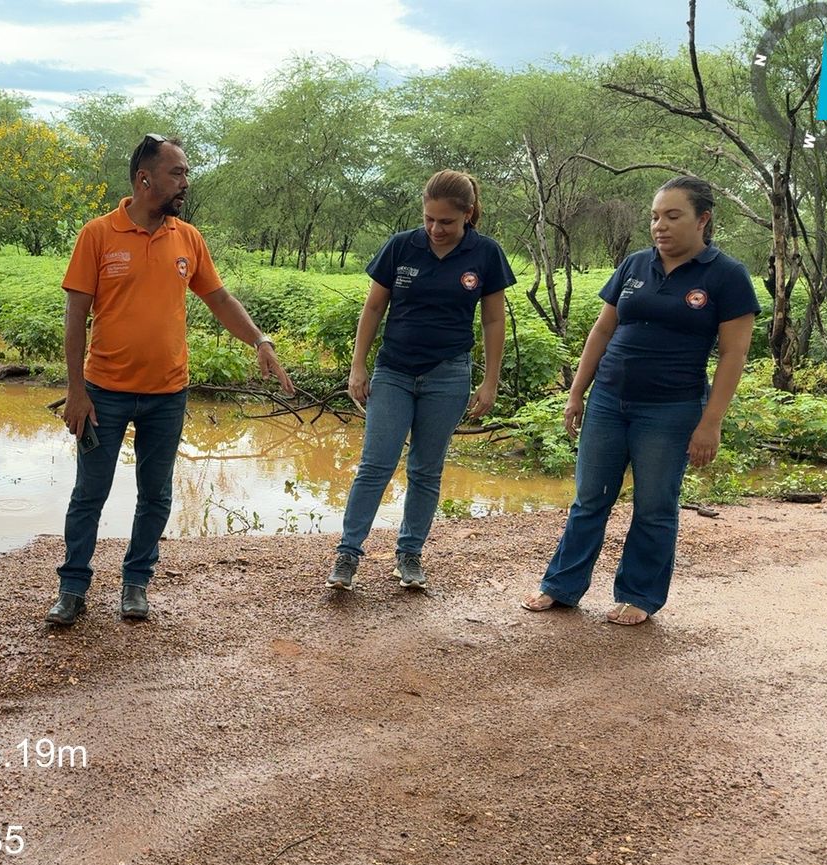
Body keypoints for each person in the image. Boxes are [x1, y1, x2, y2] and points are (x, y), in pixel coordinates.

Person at [47, 133, 295, 626]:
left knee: (156, 494)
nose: (185, 182)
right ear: (145, 179)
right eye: (176, 173)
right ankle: (73, 588)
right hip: (103, 394)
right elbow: (76, 315)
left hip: (167, 394)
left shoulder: (188, 238)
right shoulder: (98, 234)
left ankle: (136, 584)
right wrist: (76, 390)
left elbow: (220, 299)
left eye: (185, 173)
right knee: (88, 493)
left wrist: (260, 341)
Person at [524, 176, 757, 625]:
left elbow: (734, 354)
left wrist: (711, 422)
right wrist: (577, 391)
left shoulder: (725, 275)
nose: (660, 226)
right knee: (589, 499)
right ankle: (561, 586)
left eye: (673, 216)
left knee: (654, 506)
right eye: (654, 217)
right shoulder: (634, 265)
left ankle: (639, 595)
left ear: (702, 219)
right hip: (610, 401)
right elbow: (602, 330)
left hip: (671, 410)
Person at [327, 171, 513, 592]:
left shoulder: (485, 253)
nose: (435, 229)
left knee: (426, 470)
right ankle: (347, 554)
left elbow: (493, 318)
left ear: (467, 214)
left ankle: (409, 555)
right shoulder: (401, 246)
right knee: (375, 465)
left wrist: (490, 382)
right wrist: (358, 366)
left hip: (448, 375)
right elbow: (374, 308)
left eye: (446, 222)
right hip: (393, 370)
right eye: (429, 219)